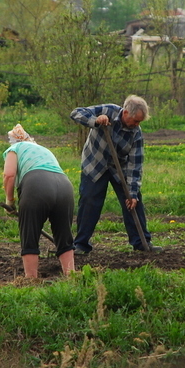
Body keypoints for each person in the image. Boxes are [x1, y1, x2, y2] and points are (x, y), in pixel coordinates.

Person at [70, 95, 161, 254]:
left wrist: (132, 193)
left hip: (118, 168)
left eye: (140, 122)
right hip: (95, 164)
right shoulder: (108, 110)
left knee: (133, 202)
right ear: (125, 112)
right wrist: (96, 120)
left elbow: (135, 165)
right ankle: (81, 245)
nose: (137, 125)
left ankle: (141, 242)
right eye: (135, 120)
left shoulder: (136, 134)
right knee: (89, 201)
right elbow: (76, 113)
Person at [2, 124, 75, 278]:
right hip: (64, 186)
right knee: (64, 235)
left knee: (30, 233)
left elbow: (9, 175)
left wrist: (10, 201)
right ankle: (71, 277)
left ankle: (30, 280)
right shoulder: (43, 149)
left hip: (37, 185)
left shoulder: (15, 149)